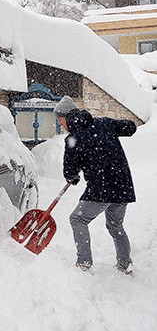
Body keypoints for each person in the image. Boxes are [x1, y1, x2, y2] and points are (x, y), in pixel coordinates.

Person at [54, 96, 136, 275]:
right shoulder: (104, 123)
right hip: (123, 185)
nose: (60, 124)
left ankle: (83, 263)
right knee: (115, 225)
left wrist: (73, 177)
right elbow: (130, 128)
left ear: (67, 117)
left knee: (77, 219)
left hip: (102, 188)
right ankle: (125, 264)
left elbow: (70, 172)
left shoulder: (72, 139)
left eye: (60, 120)